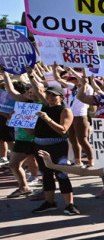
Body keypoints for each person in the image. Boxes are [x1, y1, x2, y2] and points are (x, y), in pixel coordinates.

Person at [31, 82, 78, 215]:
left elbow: (63, 130)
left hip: (57, 146)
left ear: (61, 97)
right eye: (49, 94)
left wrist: (47, 119)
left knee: (61, 174)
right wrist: (21, 120)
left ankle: (70, 205)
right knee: (46, 175)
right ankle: (49, 202)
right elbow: (31, 132)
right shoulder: (43, 109)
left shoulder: (65, 110)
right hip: (40, 145)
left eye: (54, 95)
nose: (50, 97)